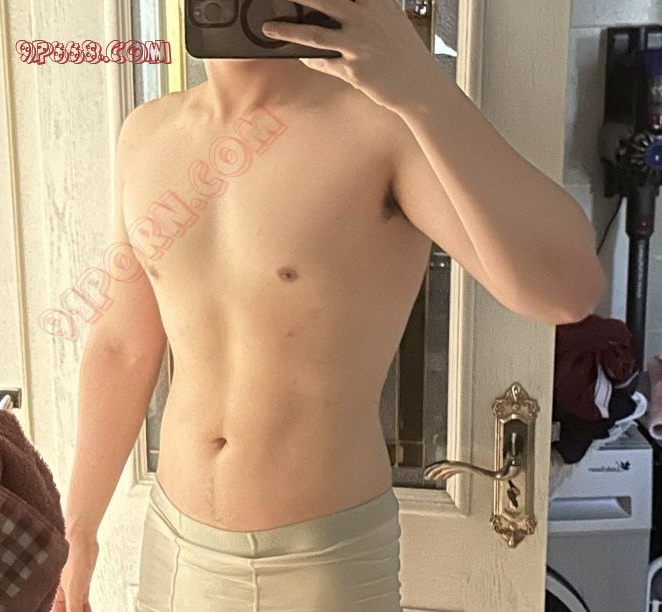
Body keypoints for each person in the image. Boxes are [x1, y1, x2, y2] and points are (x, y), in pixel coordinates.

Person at [51, 1, 604, 611]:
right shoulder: (147, 135)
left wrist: (420, 84)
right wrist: (77, 526)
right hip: (172, 547)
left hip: (321, 563)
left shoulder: (380, 128)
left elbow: (565, 290)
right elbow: (122, 345)